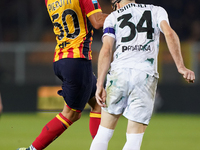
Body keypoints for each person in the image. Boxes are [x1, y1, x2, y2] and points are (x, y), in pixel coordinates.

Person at [90, 0, 195, 150]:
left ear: (118, 2)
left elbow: (106, 50)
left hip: (119, 74)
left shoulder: (112, 17)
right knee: (134, 137)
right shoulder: (157, 10)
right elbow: (170, 34)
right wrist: (181, 66)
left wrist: (100, 83)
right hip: (145, 76)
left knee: (103, 133)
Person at [17, 0, 108, 149]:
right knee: (70, 114)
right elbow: (97, 22)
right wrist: (123, 15)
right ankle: (31, 149)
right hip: (77, 60)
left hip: (61, 59)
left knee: (98, 102)